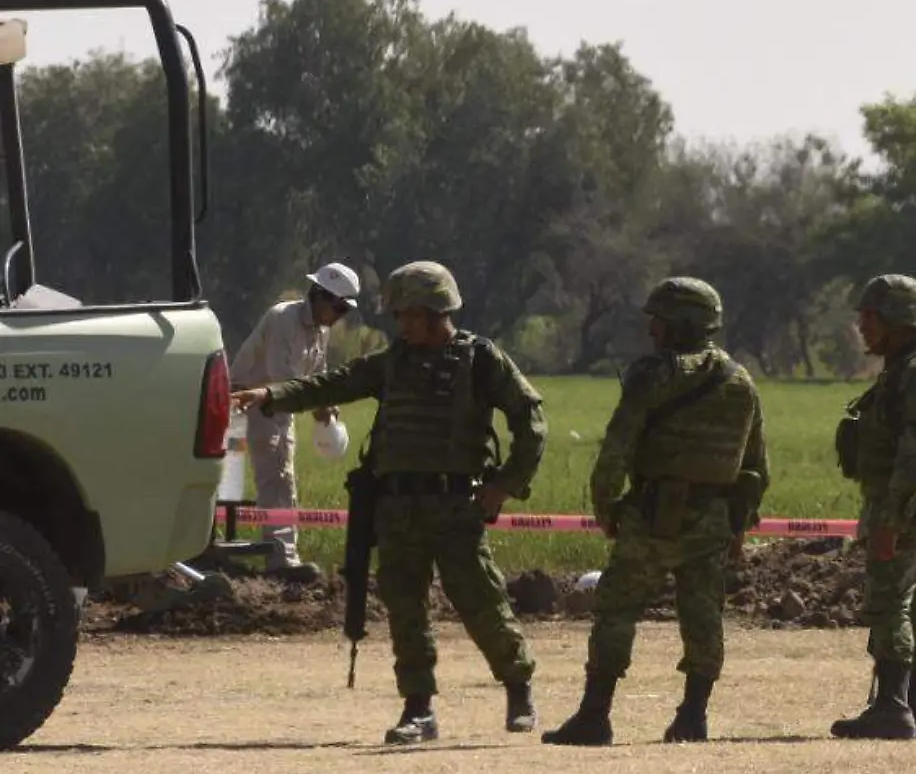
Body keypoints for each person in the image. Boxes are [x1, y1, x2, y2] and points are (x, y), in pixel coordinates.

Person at [230, 261, 546, 745]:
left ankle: (518, 687)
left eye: (410, 314)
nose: (402, 324)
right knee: (405, 609)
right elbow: (331, 384)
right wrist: (270, 395)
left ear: (437, 310)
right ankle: (418, 709)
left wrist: (504, 485)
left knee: (480, 599)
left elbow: (531, 419)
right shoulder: (392, 362)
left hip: (455, 505)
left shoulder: (480, 360)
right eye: (399, 315)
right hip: (398, 508)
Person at [543, 278, 768, 747]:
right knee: (704, 617)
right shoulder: (741, 382)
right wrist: (737, 526)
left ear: (680, 324)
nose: (652, 330)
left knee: (617, 609)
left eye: (658, 321)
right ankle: (692, 717)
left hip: (651, 514)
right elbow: (754, 468)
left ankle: (594, 716)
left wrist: (606, 506)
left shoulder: (653, 374)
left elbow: (617, 449)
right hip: (711, 519)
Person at [829, 274, 916, 741]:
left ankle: (893, 707)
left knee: (889, 601)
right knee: (915, 604)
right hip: (907, 507)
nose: (862, 327)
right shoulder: (907, 368)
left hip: (907, 510)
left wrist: (891, 519)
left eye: (870, 318)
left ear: (897, 321)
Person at [227, 262, 361, 577]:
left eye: (344, 311)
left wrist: (327, 405)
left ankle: (282, 555)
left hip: (278, 404)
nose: (339, 316)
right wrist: (317, 405)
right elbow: (280, 376)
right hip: (246, 401)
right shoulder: (283, 319)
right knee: (252, 480)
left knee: (282, 476)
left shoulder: (321, 331)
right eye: (338, 307)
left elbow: (318, 375)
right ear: (318, 295)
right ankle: (279, 560)